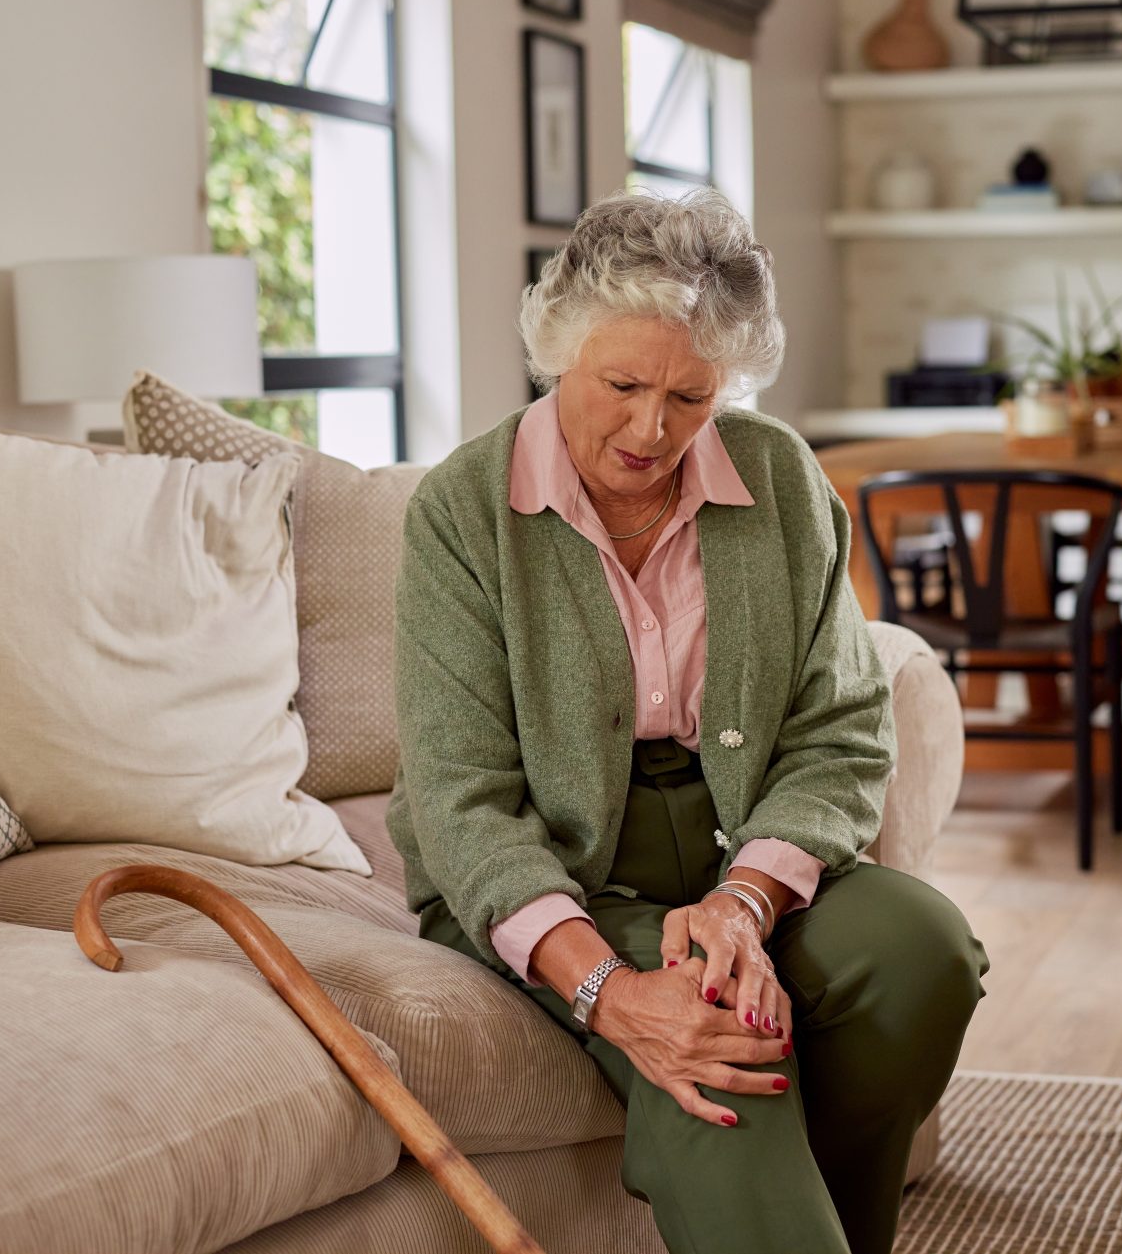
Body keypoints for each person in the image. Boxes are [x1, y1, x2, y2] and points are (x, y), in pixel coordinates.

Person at [385, 189, 987, 1254]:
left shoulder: (782, 480)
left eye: (691, 398)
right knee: (728, 1052)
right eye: (621, 384)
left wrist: (746, 903)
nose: (651, 429)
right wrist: (611, 991)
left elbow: (843, 727)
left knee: (921, 949)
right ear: (555, 347)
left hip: (738, 841)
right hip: (558, 876)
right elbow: (459, 798)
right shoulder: (460, 513)